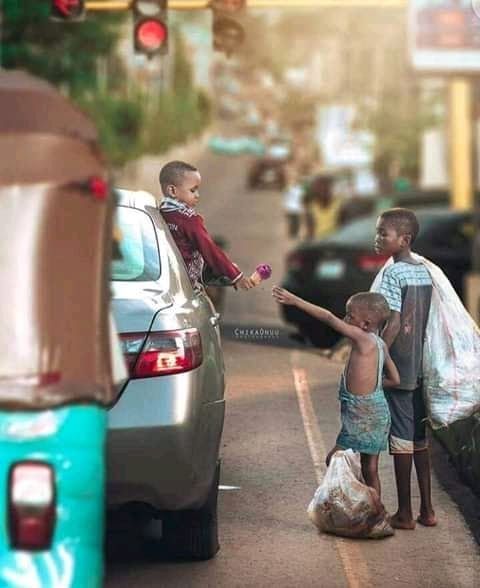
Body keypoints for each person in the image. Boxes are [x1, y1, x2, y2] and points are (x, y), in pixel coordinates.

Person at [272, 287, 400, 498]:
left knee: (333, 459)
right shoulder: (380, 345)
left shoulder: (361, 337)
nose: (344, 318)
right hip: (377, 411)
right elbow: (395, 379)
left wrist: (296, 300)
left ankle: (353, 500)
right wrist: (372, 387)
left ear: (365, 324)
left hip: (362, 415)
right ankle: (375, 510)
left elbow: (329, 318)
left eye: (350, 316)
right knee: (370, 468)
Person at [372, 207, 437, 530]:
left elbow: (394, 321)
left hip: (400, 367)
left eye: (384, 233)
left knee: (400, 439)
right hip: (421, 365)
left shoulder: (394, 274)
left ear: (405, 239)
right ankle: (427, 510)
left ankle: (405, 514)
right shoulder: (424, 272)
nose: (378, 238)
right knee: (419, 439)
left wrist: (379, 354)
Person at [158, 160, 254, 290]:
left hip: (164, 275)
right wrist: (236, 276)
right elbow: (209, 249)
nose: (197, 195)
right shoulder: (189, 219)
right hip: (186, 282)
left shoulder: (159, 212)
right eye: (192, 190)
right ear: (172, 191)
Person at [282, 162, 304, 239]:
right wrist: (285, 207)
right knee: (292, 222)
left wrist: (303, 207)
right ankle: (291, 234)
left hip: (297, 208)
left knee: (297, 222)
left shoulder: (300, 188)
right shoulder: (289, 188)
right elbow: (286, 198)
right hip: (290, 207)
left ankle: (295, 234)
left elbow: (302, 198)